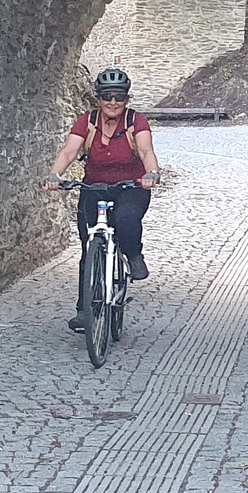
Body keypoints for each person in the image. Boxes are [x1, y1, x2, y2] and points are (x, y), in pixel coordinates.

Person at [42, 67, 161, 333]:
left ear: (127, 99)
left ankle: (133, 255)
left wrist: (151, 173)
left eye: (119, 97)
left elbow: (145, 150)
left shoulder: (135, 121)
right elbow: (70, 151)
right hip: (94, 186)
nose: (113, 102)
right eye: (107, 96)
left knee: (126, 218)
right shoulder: (87, 122)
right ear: (99, 98)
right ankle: (85, 310)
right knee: (89, 247)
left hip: (131, 186)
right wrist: (54, 175)